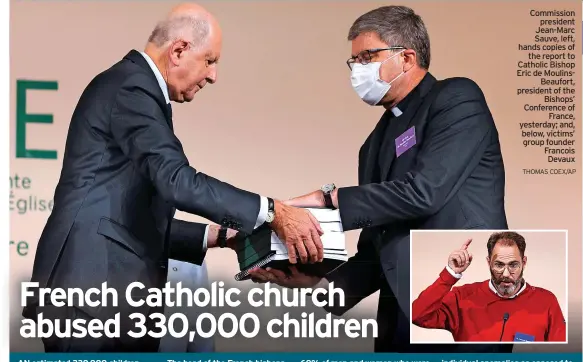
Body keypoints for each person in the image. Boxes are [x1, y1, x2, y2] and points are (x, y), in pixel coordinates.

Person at [22, 3, 324, 352]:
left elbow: (120, 216)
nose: (213, 76)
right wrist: (273, 211)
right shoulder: (132, 88)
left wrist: (221, 236)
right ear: (179, 50)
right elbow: (178, 181)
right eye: (210, 60)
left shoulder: (132, 88)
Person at [249, 5, 509, 353]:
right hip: (400, 316)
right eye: (353, 61)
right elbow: (376, 246)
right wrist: (318, 284)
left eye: (367, 56)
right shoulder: (373, 144)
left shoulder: (456, 98)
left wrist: (327, 199)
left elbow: (423, 193)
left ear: (406, 57)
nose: (358, 69)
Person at [411, 232, 566, 342]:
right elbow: (417, 315)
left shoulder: (546, 301)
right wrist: (450, 274)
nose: (506, 273)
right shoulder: (462, 297)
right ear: (488, 262)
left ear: (523, 263)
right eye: (499, 265)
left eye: (513, 265)